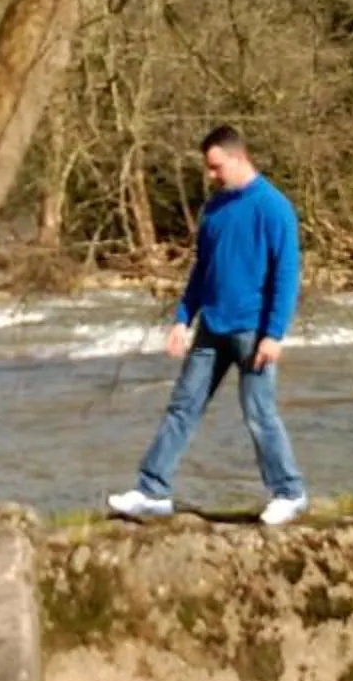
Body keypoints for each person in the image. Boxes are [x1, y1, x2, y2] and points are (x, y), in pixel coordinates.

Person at [108, 125, 307, 525]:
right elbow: (202, 270)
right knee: (182, 407)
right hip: (210, 329)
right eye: (209, 168)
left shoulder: (274, 208)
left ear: (238, 157)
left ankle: (289, 492)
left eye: (216, 167)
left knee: (259, 413)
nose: (211, 175)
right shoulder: (214, 209)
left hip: (253, 333)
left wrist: (275, 334)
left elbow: (286, 274)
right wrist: (183, 319)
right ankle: (152, 491)